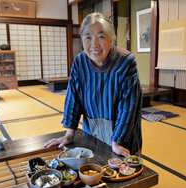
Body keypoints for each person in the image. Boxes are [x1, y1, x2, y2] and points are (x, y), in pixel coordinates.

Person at [44, 13, 142, 157]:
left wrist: (117, 142)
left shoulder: (125, 62)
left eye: (101, 37)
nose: (94, 44)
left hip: (123, 135)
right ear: (82, 40)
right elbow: (73, 98)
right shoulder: (79, 62)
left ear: (111, 38)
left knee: (123, 174)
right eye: (88, 37)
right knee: (92, 171)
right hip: (92, 134)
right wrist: (69, 134)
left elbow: (128, 107)